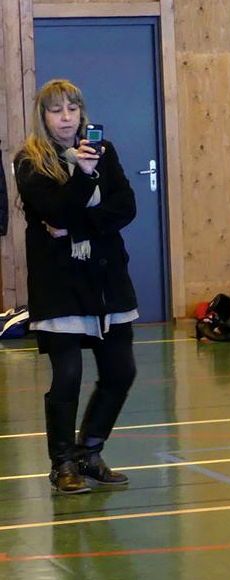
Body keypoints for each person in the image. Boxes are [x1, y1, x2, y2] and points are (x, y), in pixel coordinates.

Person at [14, 79, 138, 495]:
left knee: (121, 371)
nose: (66, 118)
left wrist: (72, 226)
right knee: (67, 374)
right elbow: (54, 208)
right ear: (43, 117)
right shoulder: (28, 162)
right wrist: (83, 177)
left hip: (106, 279)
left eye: (72, 108)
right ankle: (62, 462)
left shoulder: (105, 151)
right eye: (56, 110)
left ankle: (90, 451)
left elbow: (125, 207)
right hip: (60, 283)